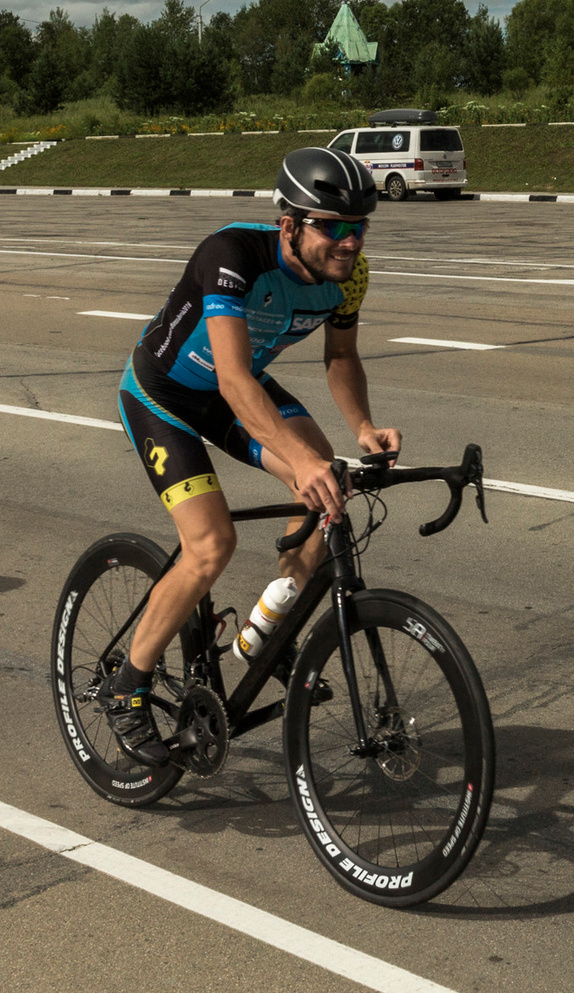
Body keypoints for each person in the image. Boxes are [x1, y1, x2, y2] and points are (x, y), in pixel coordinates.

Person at [105, 146, 397, 763]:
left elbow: (340, 359)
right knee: (211, 544)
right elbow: (235, 378)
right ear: (289, 224)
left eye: (360, 226)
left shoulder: (351, 276)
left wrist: (364, 427)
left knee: (330, 494)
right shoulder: (232, 255)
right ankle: (126, 685)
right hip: (166, 396)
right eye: (334, 227)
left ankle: (266, 630)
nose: (350, 242)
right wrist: (301, 458)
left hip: (236, 395)